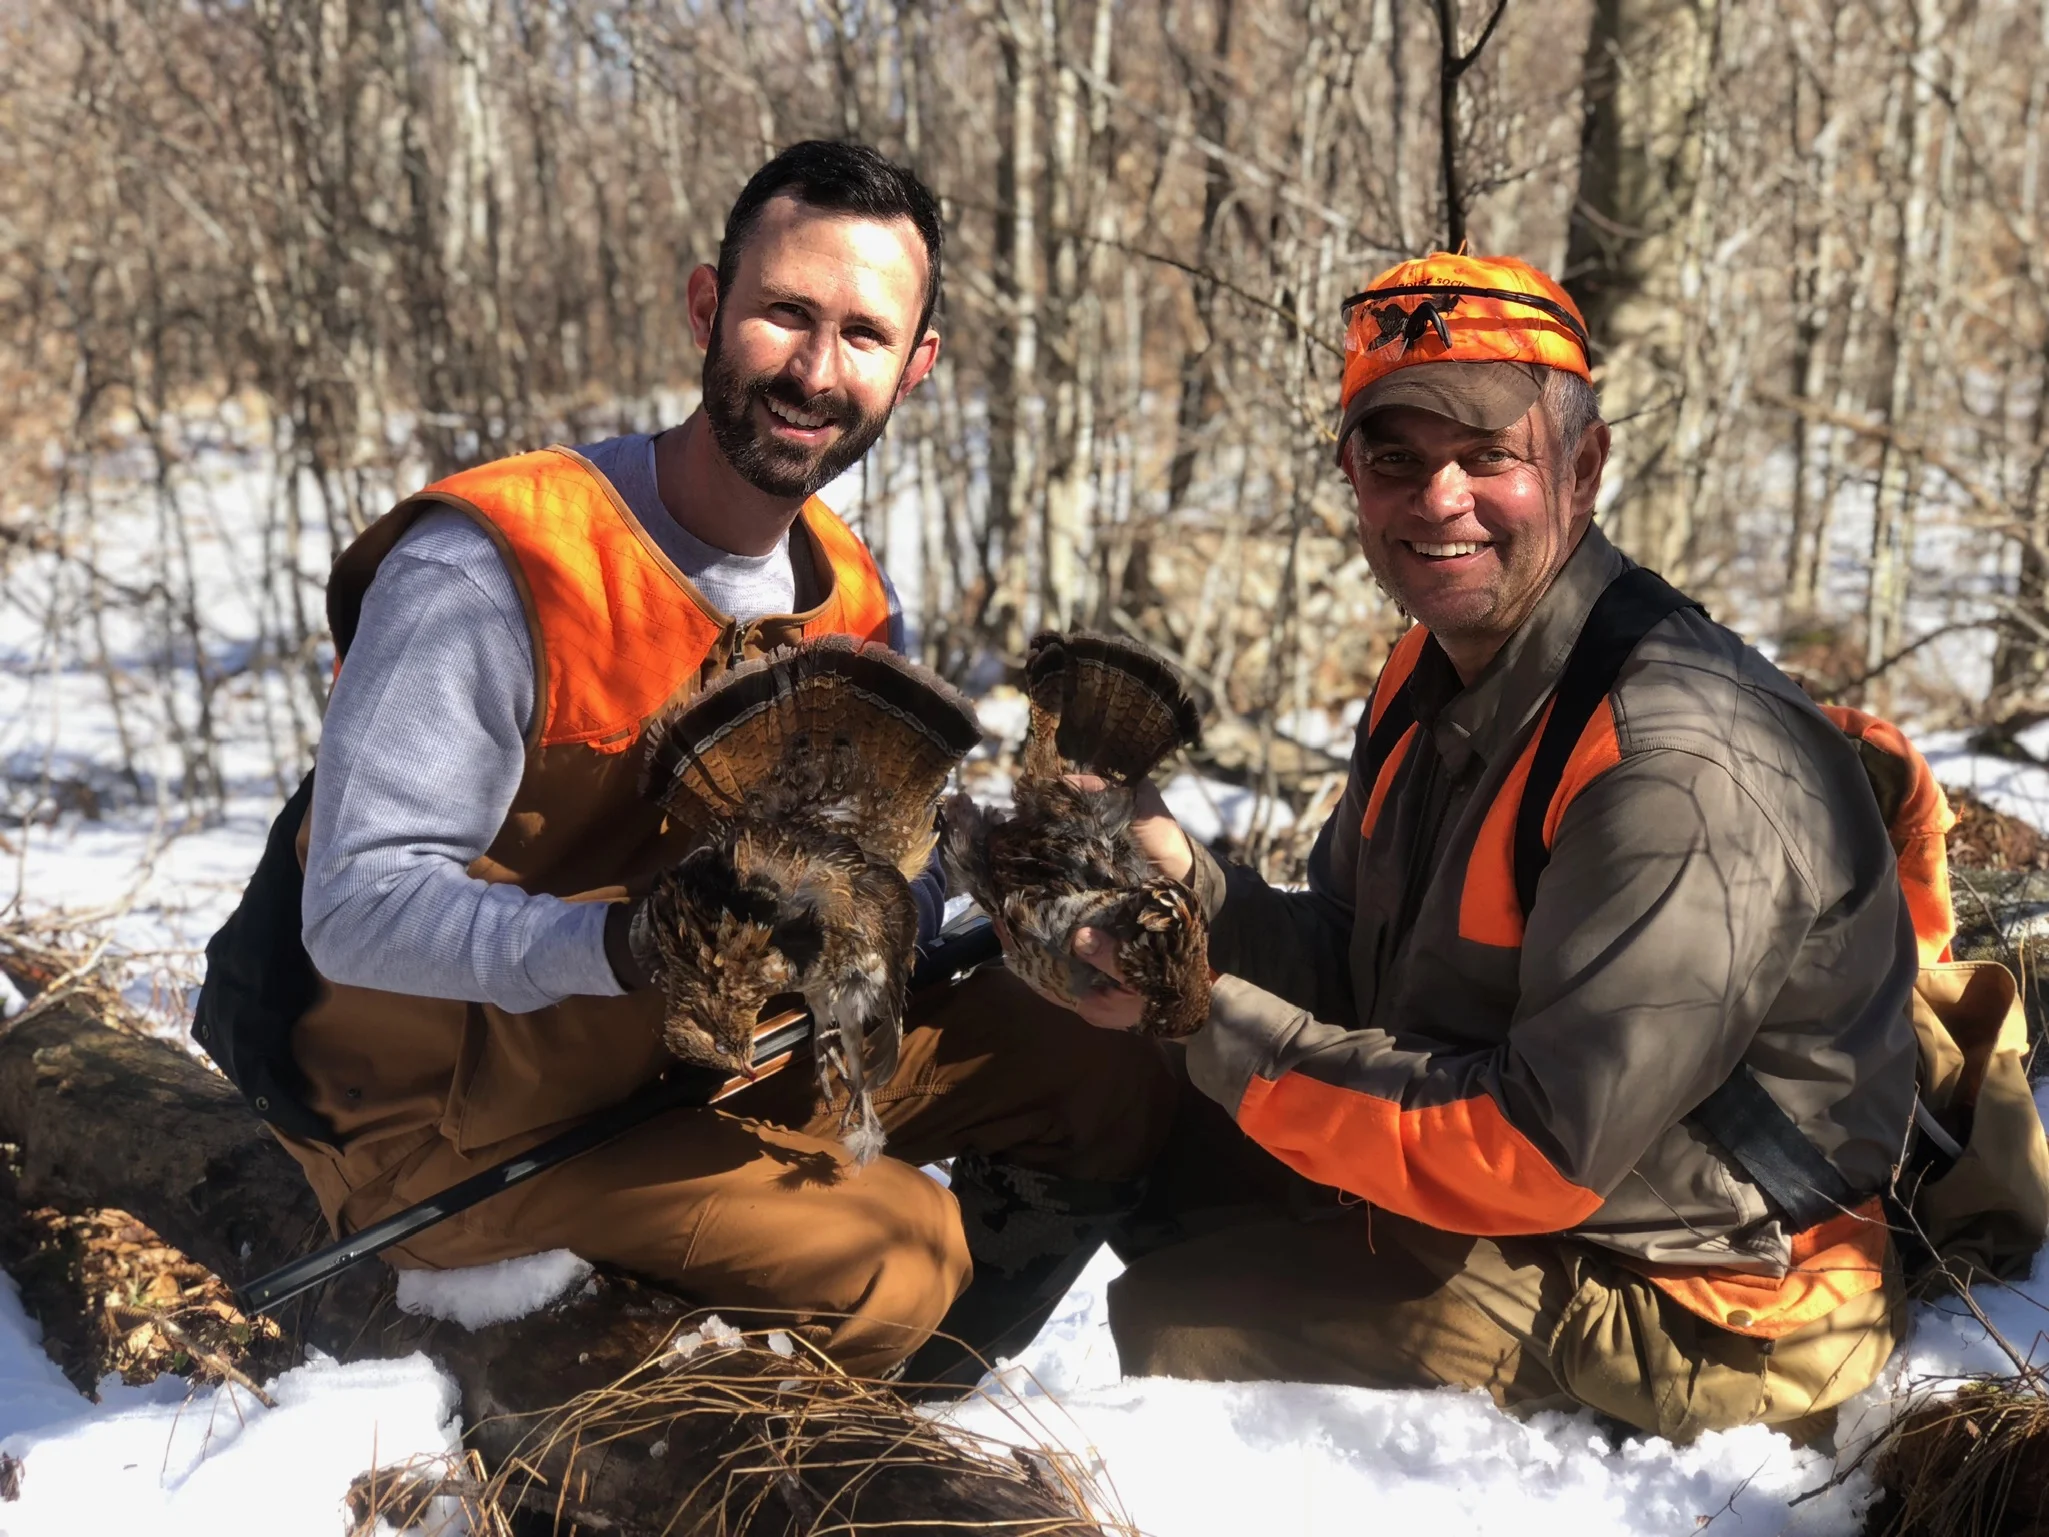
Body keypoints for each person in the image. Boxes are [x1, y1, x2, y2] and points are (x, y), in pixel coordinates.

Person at [212, 140, 1174, 1379]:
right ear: (707, 306)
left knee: (1105, 1060)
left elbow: (874, 875)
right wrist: (626, 947)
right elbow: (354, 908)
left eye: (865, 335)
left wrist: (1018, 887)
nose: (817, 371)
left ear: (917, 366)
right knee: (903, 1251)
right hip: (449, 1126)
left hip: (711, 1059)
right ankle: (681, 1432)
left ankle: (916, 1421)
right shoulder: (499, 568)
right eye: (784, 313)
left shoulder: (851, 593)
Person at [1057, 253, 1921, 1442]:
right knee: (1114, 1117)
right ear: (1350, 474)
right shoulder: (1436, 663)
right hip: (1555, 1188)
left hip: (1718, 1294)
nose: (1437, 500)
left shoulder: (1670, 764)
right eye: (1394, 459)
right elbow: (1361, 962)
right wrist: (1189, 887)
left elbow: (1536, 1148)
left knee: (1167, 1323)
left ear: (1583, 466)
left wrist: (1200, 1016)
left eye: (1487, 457)